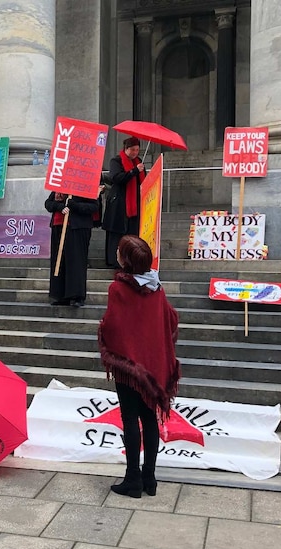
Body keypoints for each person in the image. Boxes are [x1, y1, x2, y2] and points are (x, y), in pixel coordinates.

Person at [97, 236, 180, 498]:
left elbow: (113, 325)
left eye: (120, 251)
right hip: (153, 365)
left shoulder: (118, 289)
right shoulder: (158, 288)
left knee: (130, 418)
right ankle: (150, 479)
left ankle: (132, 478)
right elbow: (170, 319)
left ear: (126, 260)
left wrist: (103, 334)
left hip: (129, 365)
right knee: (150, 419)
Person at [45, 191, 99, 307]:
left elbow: (94, 206)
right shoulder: (59, 187)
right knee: (59, 262)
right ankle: (61, 295)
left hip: (78, 228)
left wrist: (74, 206)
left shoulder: (85, 188)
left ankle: (76, 295)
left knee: (76, 262)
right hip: (58, 226)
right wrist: (60, 206)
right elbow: (48, 204)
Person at [102, 137, 147, 267]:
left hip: (135, 204)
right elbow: (116, 178)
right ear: (126, 149)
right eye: (132, 150)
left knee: (132, 233)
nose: (135, 153)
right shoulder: (116, 161)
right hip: (119, 204)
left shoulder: (139, 163)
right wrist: (133, 171)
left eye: (137, 150)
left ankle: (130, 260)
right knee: (117, 233)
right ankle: (114, 260)